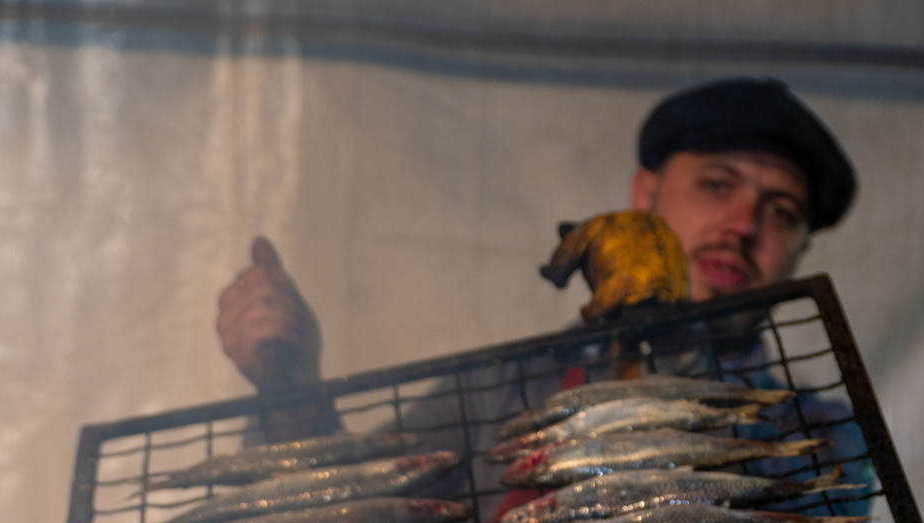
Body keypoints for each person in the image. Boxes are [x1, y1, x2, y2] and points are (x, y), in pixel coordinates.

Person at [215, 78, 856, 391]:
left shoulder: (822, 443)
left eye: (780, 212)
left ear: (800, 249)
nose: (744, 226)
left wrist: (674, 345)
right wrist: (293, 394)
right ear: (643, 198)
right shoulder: (496, 389)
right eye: (718, 185)